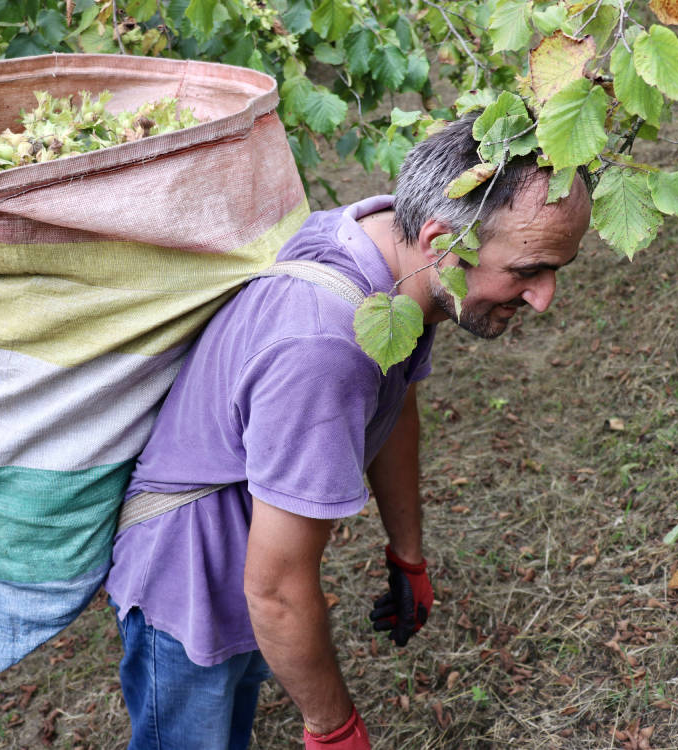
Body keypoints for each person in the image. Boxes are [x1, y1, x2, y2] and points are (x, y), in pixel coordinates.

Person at [103, 114, 592, 749]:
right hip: (187, 581)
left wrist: (406, 551)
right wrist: (334, 730)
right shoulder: (324, 348)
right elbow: (275, 590)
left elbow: (395, 405)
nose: (544, 297)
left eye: (558, 268)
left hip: (256, 553)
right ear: (443, 240)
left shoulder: (388, 245)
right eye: (528, 269)